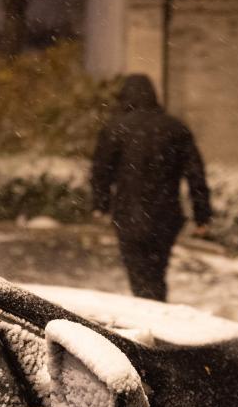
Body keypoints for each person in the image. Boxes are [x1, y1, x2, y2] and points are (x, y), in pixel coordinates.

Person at [90, 74, 212, 301]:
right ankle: (156, 311)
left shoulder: (116, 128)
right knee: (157, 272)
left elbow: (101, 171)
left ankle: (148, 318)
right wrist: (201, 214)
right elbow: (196, 173)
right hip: (166, 215)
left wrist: (101, 204)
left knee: (138, 275)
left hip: (129, 215)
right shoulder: (175, 129)